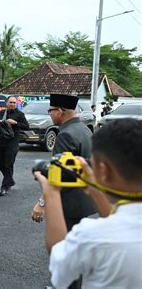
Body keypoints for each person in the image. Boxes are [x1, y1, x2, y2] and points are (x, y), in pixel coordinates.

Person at [34, 118, 142, 288]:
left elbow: (59, 261)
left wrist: (51, 193)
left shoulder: (92, 236)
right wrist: (95, 189)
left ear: (104, 171)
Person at [32, 94, 95, 231]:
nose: (50, 114)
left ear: (59, 111)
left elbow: (57, 173)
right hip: (84, 199)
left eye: (50, 111)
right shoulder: (85, 129)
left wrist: (42, 203)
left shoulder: (65, 135)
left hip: (69, 203)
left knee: (63, 247)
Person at [0, 96, 29, 196]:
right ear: (7, 103)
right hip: (1, 142)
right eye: (10, 102)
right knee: (0, 163)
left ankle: (4, 187)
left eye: (14, 103)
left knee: (8, 165)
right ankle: (10, 180)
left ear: (16, 104)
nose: (12, 104)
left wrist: (15, 123)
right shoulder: (2, 113)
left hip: (12, 143)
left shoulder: (19, 114)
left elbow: (26, 126)